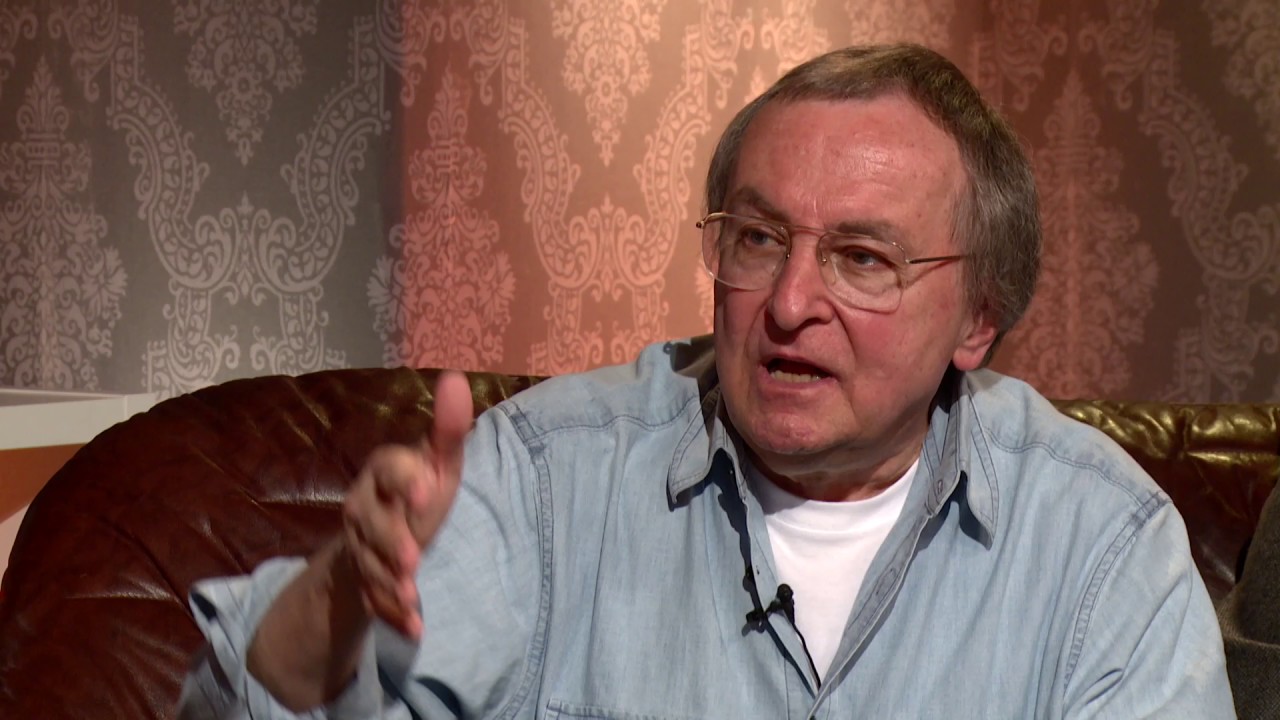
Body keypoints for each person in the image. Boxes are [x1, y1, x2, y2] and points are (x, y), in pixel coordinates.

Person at [179, 43, 1235, 718]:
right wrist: (338, 599)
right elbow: (236, 703)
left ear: (977, 320)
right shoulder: (547, 479)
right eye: (758, 238)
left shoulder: (1101, 546)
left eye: (862, 258)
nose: (788, 302)